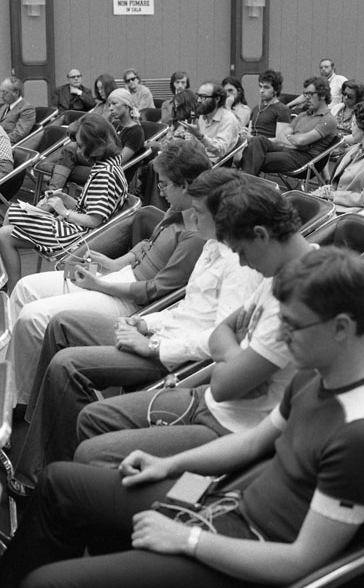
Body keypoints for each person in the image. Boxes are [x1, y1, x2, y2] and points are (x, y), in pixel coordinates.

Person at [2, 246, 364, 588]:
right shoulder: (313, 379)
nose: (281, 337)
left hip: (242, 553)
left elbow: (299, 561)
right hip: (221, 501)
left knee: (45, 583)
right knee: (59, 482)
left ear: (341, 328)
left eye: (293, 327)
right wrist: (168, 464)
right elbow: (251, 443)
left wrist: (185, 539)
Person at [9, 169, 261, 493]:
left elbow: (217, 337)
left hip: (173, 355)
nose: (192, 218)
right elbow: (186, 308)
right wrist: (145, 323)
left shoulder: (238, 265)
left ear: (222, 215)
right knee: (61, 324)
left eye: (199, 212)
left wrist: (153, 347)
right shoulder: (212, 245)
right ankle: (37, 431)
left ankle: (38, 476)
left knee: (67, 364)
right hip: (160, 331)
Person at [74, 174, 315, 469]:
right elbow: (221, 332)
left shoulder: (293, 295)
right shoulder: (277, 270)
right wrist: (149, 326)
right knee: (92, 418)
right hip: (208, 396)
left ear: (261, 236)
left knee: (86, 452)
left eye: (241, 251)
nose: (241, 260)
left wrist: (162, 347)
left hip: (228, 419)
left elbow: (223, 376)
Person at [7, 140, 210, 407]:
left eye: (164, 185)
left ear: (184, 185)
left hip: (132, 300)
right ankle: (17, 385)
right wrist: (115, 264)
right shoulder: (179, 209)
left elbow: (155, 290)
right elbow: (147, 244)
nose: (159, 191)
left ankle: (21, 401)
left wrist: (100, 285)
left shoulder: (196, 234)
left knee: (34, 316)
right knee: (25, 288)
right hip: (122, 277)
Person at [0, 114, 128, 293]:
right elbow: (90, 209)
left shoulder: (105, 174)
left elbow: (94, 220)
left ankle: (7, 284)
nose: (78, 151)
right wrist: (66, 199)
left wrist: (64, 211)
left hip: (79, 236)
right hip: (78, 230)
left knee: (15, 212)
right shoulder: (108, 167)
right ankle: (11, 288)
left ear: (96, 146)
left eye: (81, 146)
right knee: (5, 234)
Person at [47, 88, 145, 191]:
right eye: (109, 105)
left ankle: (52, 191)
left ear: (126, 105)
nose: (111, 108)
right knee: (68, 153)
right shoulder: (115, 124)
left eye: (114, 104)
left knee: (65, 162)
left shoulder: (136, 131)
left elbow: (118, 161)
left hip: (110, 173)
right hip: (98, 163)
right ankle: (53, 191)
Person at [240, 76, 337, 176]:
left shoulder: (328, 120)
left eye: (310, 94)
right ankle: (247, 181)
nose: (306, 98)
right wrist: (296, 141)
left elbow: (301, 141)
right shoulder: (303, 115)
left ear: (323, 95)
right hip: (289, 150)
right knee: (257, 140)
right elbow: (281, 138)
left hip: (305, 159)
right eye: (305, 94)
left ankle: (244, 182)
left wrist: (292, 138)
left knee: (255, 157)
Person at [312, 102, 364, 210]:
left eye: (353, 123)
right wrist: (328, 190)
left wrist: (334, 195)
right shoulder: (356, 148)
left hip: (350, 212)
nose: (350, 128)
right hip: (336, 205)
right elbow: (341, 184)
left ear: (363, 129)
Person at [182, 82, 240, 163]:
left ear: (217, 99)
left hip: (213, 164)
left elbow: (220, 150)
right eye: (198, 96)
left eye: (203, 97)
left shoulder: (228, 119)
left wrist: (200, 136)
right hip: (197, 158)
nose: (199, 100)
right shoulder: (202, 117)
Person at [0, 76, 35, 144]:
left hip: (8, 144)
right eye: (1, 92)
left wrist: (1, 140)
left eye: (5, 92)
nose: (2, 96)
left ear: (16, 93)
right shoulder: (4, 106)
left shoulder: (27, 109)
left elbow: (18, 135)